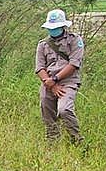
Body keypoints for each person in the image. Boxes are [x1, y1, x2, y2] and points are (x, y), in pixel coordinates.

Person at [35, 9, 85, 143]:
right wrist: (50, 83)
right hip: (48, 82)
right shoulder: (43, 44)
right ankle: (53, 141)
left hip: (67, 81)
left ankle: (76, 139)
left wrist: (55, 80)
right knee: (47, 111)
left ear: (63, 26)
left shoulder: (74, 40)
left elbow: (74, 64)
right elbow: (40, 67)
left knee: (64, 110)